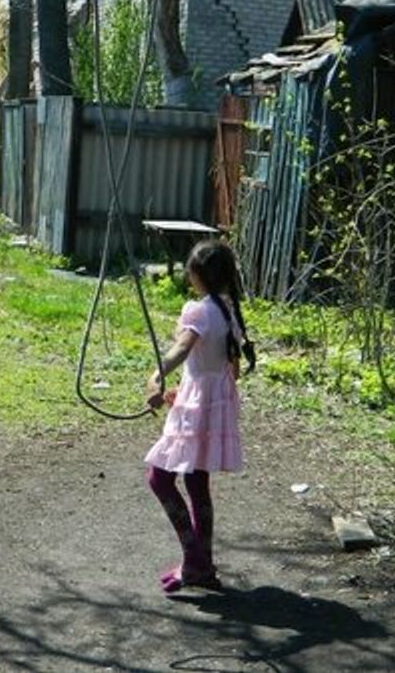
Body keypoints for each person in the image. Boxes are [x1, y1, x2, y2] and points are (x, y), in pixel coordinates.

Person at [143, 239, 257, 593]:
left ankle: (194, 558)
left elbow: (182, 349)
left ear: (198, 275)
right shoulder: (228, 310)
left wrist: (158, 376)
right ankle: (201, 566)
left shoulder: (201, 311)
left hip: (200, 406)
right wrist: (190, 393)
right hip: (214, 404)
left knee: (159, 479)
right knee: (196, 483)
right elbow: (229, 369)